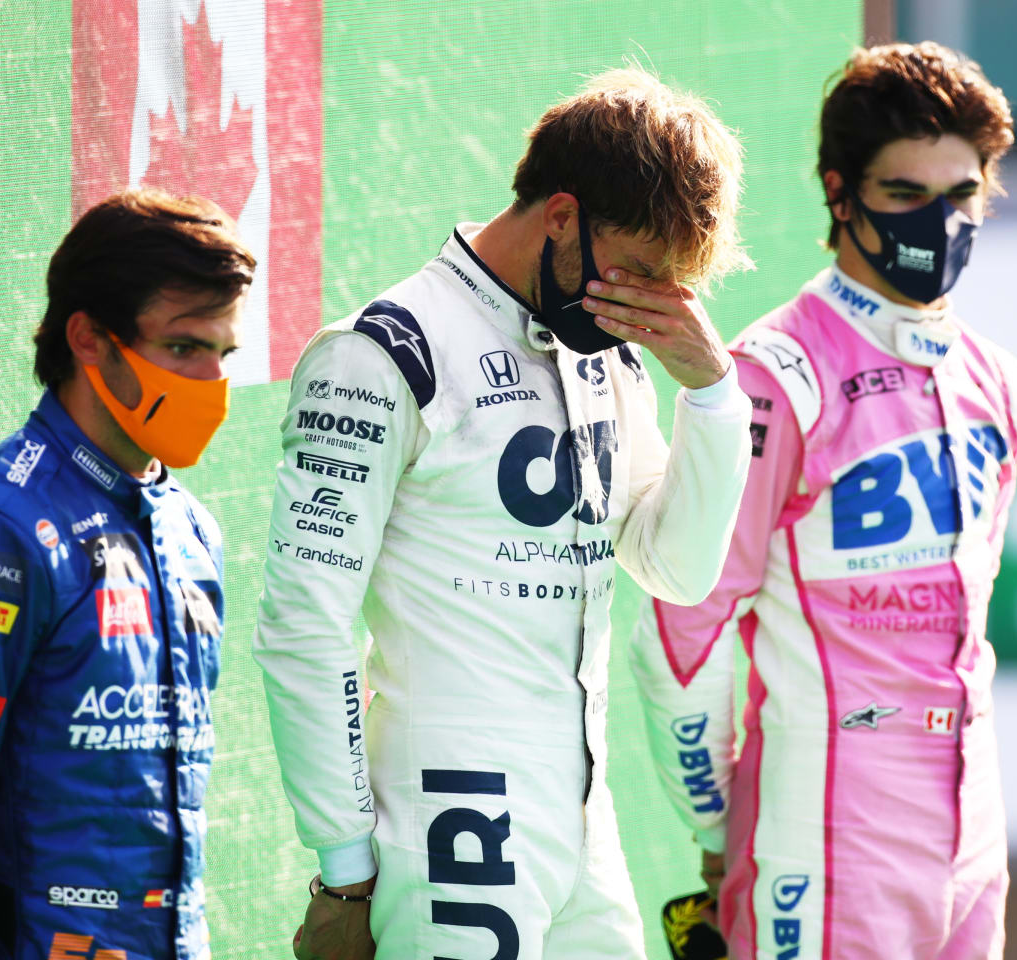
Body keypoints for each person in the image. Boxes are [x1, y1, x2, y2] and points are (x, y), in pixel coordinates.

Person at [254, 68, 754, 960]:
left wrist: (713, 393)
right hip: (456, 813)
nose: (650, 301)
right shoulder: (383, 352)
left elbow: (675, 569)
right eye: (639, 269)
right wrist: (343, 866)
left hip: (583, 815)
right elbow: (306, 622)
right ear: (561, 215)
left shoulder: (610, 355)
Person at [630, 42, 1017, 960]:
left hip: (973, 833)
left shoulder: (1000, 383)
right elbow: (679, 636)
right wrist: (719, 829)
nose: (939, 223)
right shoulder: (777, 375)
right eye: (905, 195)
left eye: (961, 194)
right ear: (839, 190)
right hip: (824, 829)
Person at [0, 188, 255, 960]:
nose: (211, 380)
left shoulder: (191, 528)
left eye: (223, 353)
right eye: (183, 348)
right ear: (89, 339)